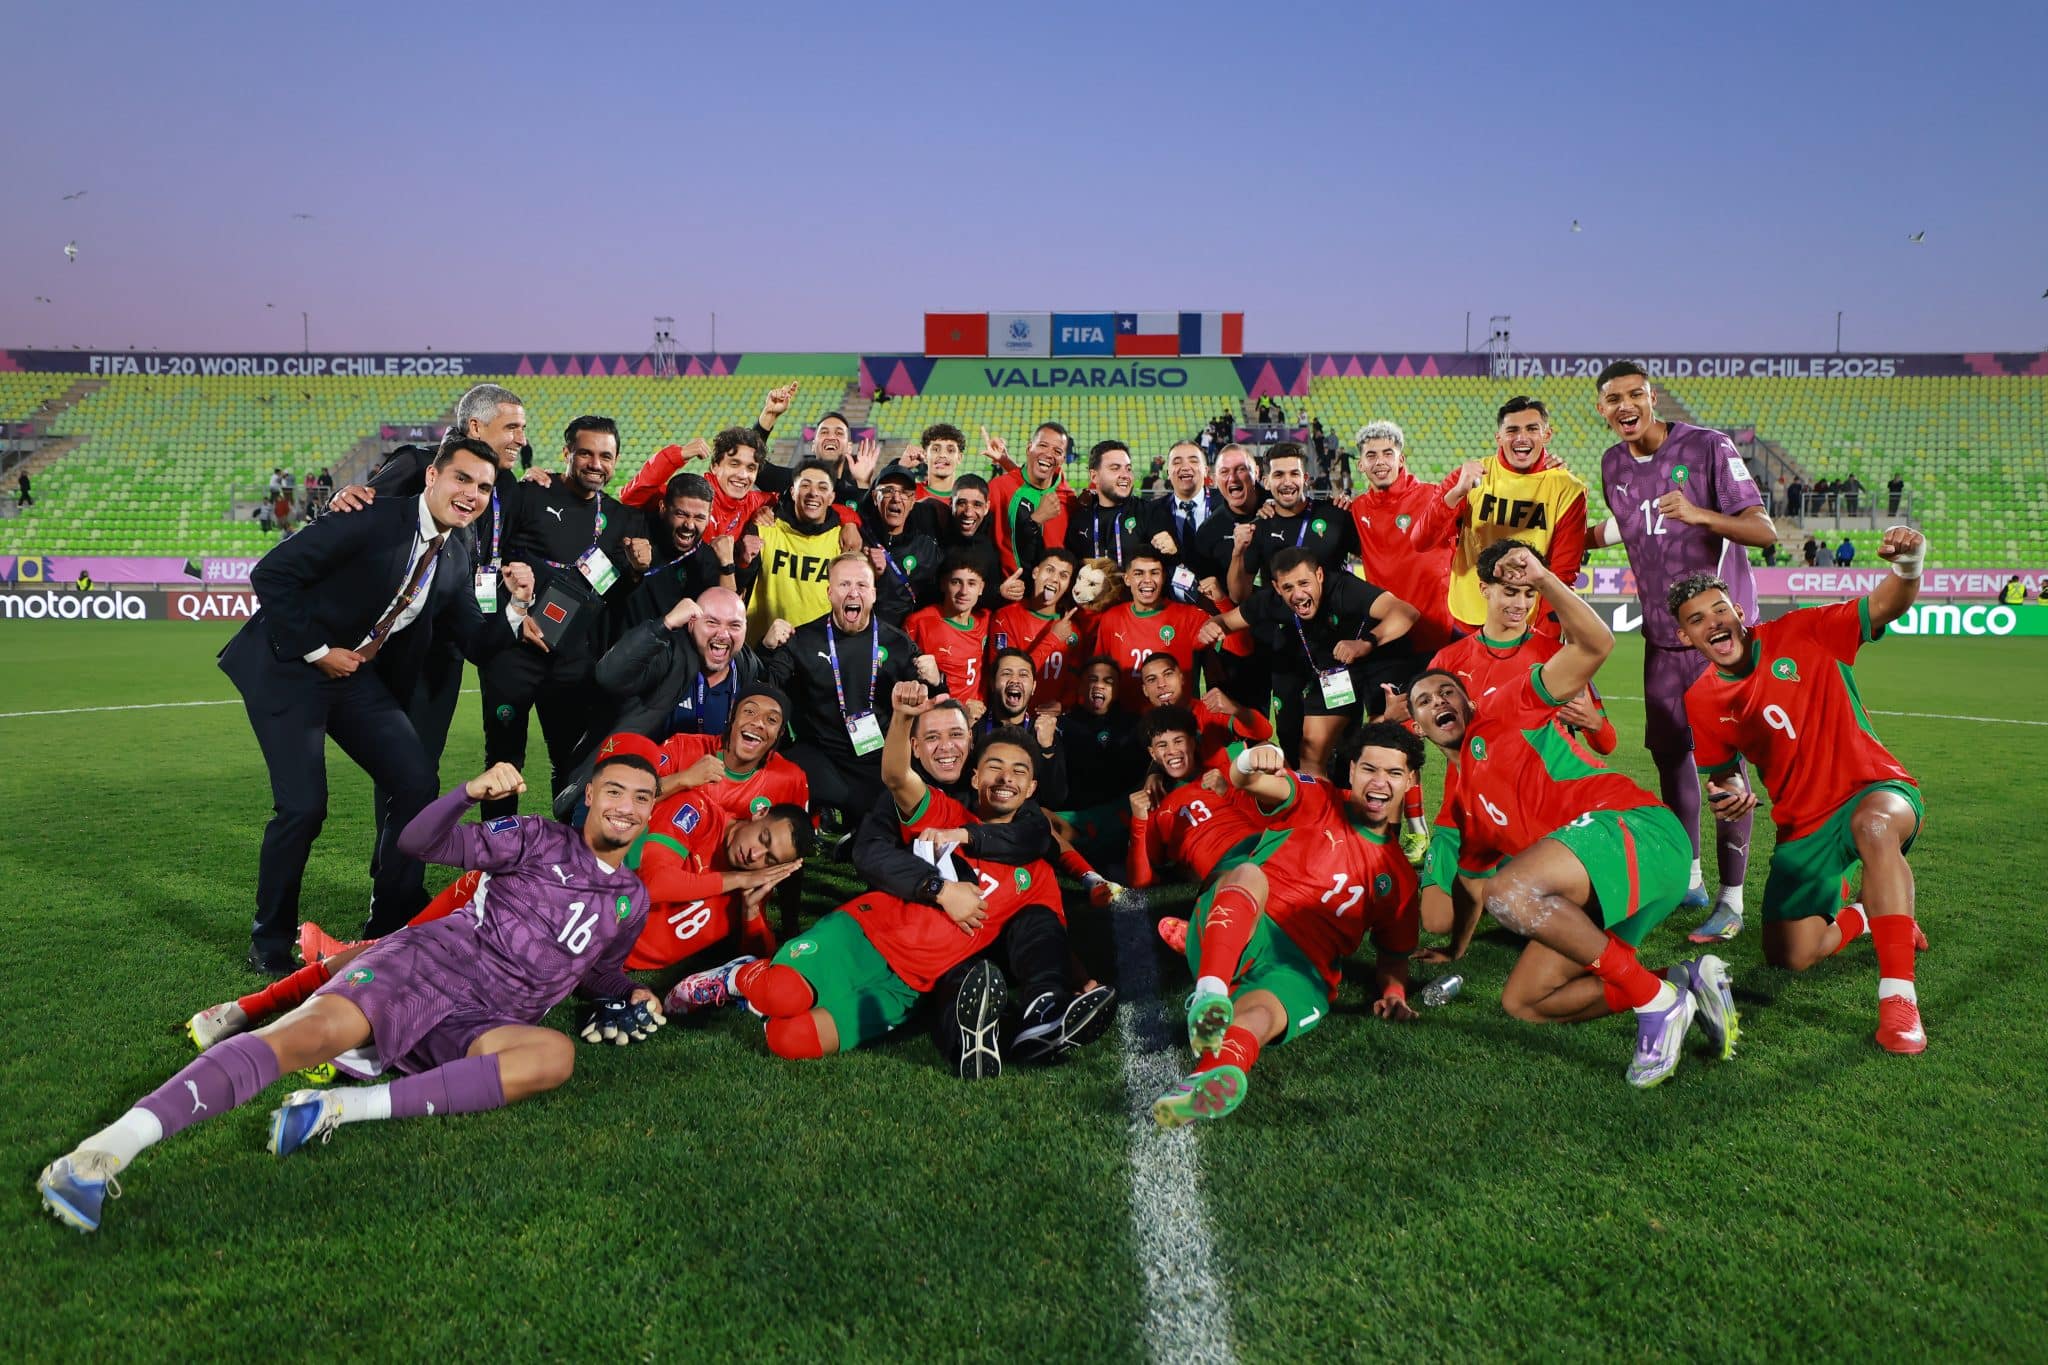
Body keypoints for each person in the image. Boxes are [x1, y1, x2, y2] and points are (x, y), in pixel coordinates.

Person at [39, 744, 666, 1233]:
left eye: (643, 797)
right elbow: (419, 842)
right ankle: (97, 1157)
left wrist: (631, 991)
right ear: (589, 796)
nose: (627, 806)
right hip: (432, 965)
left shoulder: (631, 899)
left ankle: (334, 1109)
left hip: (485, 1018)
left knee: (554, 1056)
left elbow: (596, 970)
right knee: (306, 1037)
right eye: (615, 790)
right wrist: (468, 793)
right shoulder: (533, 836)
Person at [1409, 545, 1736, 1088]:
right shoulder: (1466, 801)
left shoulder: (1507, 707)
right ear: (1417, 725)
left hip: (1637, 828)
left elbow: (1597, 643)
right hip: (1604, 873)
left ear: (1469, 704)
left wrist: (1543, 577)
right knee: (1527, 1001)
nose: (1439, 700)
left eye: (1449, 691)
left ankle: (1654, 1004)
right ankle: (1678, 982)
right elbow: (1470, 879)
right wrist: (1454, 947)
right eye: (1425, 700)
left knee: (1511, 891)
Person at [217, 440, 531, 969]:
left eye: (483, 487)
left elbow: (474, 641)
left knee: (415, 780)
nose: (471, 494)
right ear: (432, 476)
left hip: (350, 676)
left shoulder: (456, 548)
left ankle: (389, 924)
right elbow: (271, 573)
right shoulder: (370, 518)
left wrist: (519, 607)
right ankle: (269, 941)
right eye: (462, 480)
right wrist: (318, 651)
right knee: (303, 807)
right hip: (289, 667)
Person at [1671, 526, 1933, 1053]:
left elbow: (1887, 604)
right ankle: (1869, 913)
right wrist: (1731, 797)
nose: (1712, 622)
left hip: (1874, 788)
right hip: (1803, 824)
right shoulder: (1701, 700)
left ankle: (1898, 999)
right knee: (1790, 954)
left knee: (1875, 826)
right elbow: (1723, 779)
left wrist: (1909, 564)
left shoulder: (1805, 631)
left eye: (1719, 609)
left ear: (1739, 612)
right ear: (1686, 638)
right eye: (1696, 620)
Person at [728, 692, 1061, 1071]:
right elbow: (890, 793)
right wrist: (940, 889)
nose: (1005, 779)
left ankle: (1019, 1019)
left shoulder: (1031, 854)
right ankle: (733, 977)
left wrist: (1075, 981)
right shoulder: (937, 807)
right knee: (781, 995)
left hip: (909, 984)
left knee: (788, 1040)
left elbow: (1047, 917)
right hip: (869, 934)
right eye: (932, 738)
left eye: (955, 735)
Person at [1148, 723, 1424, 1127]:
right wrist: (1248, 760)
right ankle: (1210, 994)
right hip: (1248, 921)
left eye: (1394, 774)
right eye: (1369, 769)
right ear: (1351, 770)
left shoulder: (1398, 878)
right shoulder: (1319, 796)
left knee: (1258, 1017)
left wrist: (1395, 992)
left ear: (1411, 780)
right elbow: (1251, 780)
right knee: (1247, 873)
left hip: (1303, 970)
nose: (1379, 783)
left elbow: (1393, 954)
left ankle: (1209, 1078)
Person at [1592, 361, 1775, 939]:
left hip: (1718, 641)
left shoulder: (1707, 447)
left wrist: (1698, 513)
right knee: (1670, 756)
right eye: (1612, 399)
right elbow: (1628, 527)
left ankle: (1733, 899)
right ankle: (1688, 876)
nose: (1625, 406)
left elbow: (1763, 530)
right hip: (1659, 639)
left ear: (1652, 398)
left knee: (1724, 765)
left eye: (1634, 395)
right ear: (1601, 409)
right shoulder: (1613, 464)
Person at [480, 416, 651, 820]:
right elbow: (488, 560)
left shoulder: (621, 519)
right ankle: (498, 863)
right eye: (585, 453)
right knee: (503, 762)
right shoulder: (530, 494)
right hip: (515, 653)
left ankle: (571, 858)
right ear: (566, 453)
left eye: (605, 456)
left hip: (572, 661)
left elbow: (614, 595)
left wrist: (636, 570)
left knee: (572, 765)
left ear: (616, 460)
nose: (596, 463)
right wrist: (515, 615)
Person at [1203, 546, 1419, 777]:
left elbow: (1406, 612)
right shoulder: (1271, 600)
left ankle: (1401, 810)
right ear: (1276, 587)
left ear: (1319, 576)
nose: (1297, 595)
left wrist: (1365, 643)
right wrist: (1212, 627)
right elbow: (1225, 621)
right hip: (1334, 673)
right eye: (1287, 587)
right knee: (1310, 757)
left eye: (1304, 583)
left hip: (1378, 659)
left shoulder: (1344, 588)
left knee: (1383, 750)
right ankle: (1322, 809)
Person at [763, 553, 935, 829]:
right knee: (784, 768)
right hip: (821, 756)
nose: (853, 592)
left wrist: (937, 681)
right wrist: (767, 649)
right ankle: (823, 814)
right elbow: (765, 690)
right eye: (844, 585)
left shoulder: (899, 644)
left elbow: (932, 702)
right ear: (830, 593)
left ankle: (850, 822)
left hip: (878, 759)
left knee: (888, 815)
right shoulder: (802, 640)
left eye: (862, 585)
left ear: (874, 594)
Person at [1444, 397, 1587, 639]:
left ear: (1547, 435)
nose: (1522, 437)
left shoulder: (1568, 488)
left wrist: (1545, 637)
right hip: (1468, 616)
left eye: (1532, 428)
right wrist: (1456, 493)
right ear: (1498, 437)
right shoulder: (1470, 477)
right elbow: (1424, 537)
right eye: (1513, 430)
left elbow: (1563, 574)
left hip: (1525, 621)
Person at [1347, 420, 1462, 658]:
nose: (1379, 461)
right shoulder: (1356, 509)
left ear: (1401, 459)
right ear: (1360, 465)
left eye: (1388, 453)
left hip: (1438, 631)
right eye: (1371, 455)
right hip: (1389, 633)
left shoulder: (1434, 496)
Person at [1226, 443, 1355, 605]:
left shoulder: (1336, 514)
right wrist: (1237, 553)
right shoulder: (1258, 527)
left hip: (1335, 625)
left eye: (1294, 474)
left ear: (1305, 479)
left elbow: (1375, 558)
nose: (1287, 482)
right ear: (1266, 482)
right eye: (1279, 475)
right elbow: (1239, 596)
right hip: (1283, 628)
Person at [745, 459, 860, 640]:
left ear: (831, 498)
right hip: (764, 651)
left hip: (821, 654)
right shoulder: (763, 529)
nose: (813, 493)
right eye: (805, 486)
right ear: (792, 492)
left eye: (822, 488)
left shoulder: (845, 541)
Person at [1090, 549, 1214, 703]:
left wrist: (1221, 600)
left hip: (1173, 720)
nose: (1147, 580)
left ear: (1163, 577)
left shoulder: (1189, 616)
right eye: (1139, 573)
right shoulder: (1111, 618)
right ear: (1127, 579)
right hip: (1126, 720)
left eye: (1154, 573)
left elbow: (1241, 646)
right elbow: (1097, 673)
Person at [622, 471, 735, 628]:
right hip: (620, 646)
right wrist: (634, 570)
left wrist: (727, 565)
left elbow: (728, 614)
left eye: (699, 517)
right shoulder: (635, 528)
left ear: (709, 516)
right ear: (663, 508)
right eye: (681, 514)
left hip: (670, 649)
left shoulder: (710, 559)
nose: (689, 525)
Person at [990, 548, 1084, 705]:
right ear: (1035, 573)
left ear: (1069, 586)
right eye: (1049, 570)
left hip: (1051, 722)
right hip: (1012, 718)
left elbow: (1074, 680)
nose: (1054, 579)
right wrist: (1053, 638)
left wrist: (1062, 705)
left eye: (1063, 575)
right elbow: (1007, 676)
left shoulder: (1072, 630)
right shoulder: (1005, 617)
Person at [1140, 441, 1227, 605]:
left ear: (1206, 470)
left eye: (1193, 461)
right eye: (1177, 461)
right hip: (1172, 610)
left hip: (1220, 605)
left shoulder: (1227, 506)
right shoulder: (1152, 511)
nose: (1185, 467)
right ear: (1168, 472)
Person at [988, 422, 1076, 578]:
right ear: (1029, 448)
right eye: (1043, 445)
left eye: (1057, 451)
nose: (1049, 454)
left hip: (1052, 596)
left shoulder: (1069, 499)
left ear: (1062, 459)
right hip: (1009, 593)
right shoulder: (998, 488)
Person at [904, 557, 992, 707]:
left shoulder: (987, 620)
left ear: (981, 588)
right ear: (943, 584)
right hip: (935, 716)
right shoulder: (920, 622)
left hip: (974, 719)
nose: (964, 591)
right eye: (956, 582)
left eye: (972, 583)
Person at [858, 461, 942, 617]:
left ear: (912, 502)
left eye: (904, 492)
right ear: (875, 497)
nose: (896, 498)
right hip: (863, 632)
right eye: (888, 490)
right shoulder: (859, 538)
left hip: (905, 635)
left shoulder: (926, 549)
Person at [1067, 440, 1142, 565]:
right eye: (1115, 468)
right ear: (1094, 476)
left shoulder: (1149, 512)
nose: (1125, 475)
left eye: (1128, 469)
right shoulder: (1079, 518)